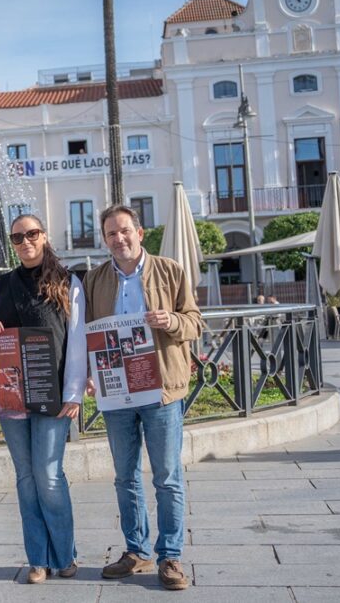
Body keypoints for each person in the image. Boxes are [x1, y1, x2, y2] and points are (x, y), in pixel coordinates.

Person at [83, 205, 203, 591]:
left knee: (167, 477)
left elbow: (196, 320)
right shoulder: (95, 280)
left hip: (161, 389)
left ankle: (170, 556)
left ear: (140, 231)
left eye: (124, 231)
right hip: (116, 391)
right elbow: (87, 332)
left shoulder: (170, 270)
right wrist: (88, 373)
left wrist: (173, 322)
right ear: (105, 240)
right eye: (111, 234)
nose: (119, 239)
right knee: (125, 476)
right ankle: (136, 550)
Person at [0, 214, 87, 585]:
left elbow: (77, 338)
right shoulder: (3, 283)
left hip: (53, 394)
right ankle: (37, 559)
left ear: (44, 235)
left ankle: (65, 553)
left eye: (31, 234)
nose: (25, 241)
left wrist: (74, 392)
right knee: (26, 478)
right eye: (17, 237)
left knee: (48, 474)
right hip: (11, 394)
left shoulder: (68, 281)